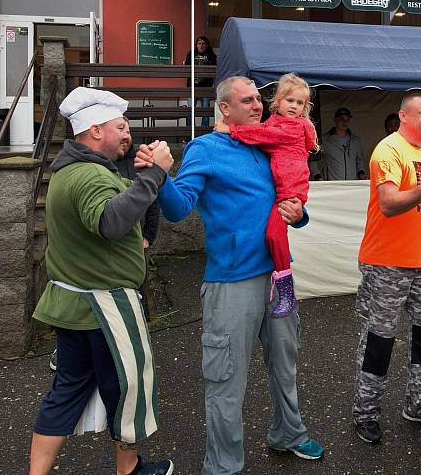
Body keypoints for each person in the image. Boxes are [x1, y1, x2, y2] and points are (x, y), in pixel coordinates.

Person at [137, 75, 323, 474]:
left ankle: (287, 433)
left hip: (278, 275)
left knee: (285, 362)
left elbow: (290, 199)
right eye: (248, 100)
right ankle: (223, 465)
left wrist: (299, 214)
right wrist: (159, 176)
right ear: (224, 107)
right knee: (225, 379)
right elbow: (177, 208)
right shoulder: (206, 149)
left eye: (259, 99)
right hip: (232, 282)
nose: (258, 105)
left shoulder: (268, 144)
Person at [30, 87, 174, 475]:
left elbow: (118, 207)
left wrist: (145, 179)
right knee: (128, 390)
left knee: (67, 389)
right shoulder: (92, 175)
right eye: (120, 126)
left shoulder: (68, 170)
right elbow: (110, 222)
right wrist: (157, 173)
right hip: (104, 308)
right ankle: (129, 470)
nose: (127, 134)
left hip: (73, 305)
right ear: (94, 130)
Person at [353, 92, 421, 445]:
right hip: (388, 263)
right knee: (380, 340)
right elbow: (391, 204)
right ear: (403, 115)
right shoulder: (389, 150)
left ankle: (420, 404)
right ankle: (366, 412)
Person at [213, 72, 318, 317]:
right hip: (283, 190)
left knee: (273, 235)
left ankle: (287, 291)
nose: (294, 107)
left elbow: (263, 136)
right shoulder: (274, 123)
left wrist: (232, 130)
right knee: (273, 235)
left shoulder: (293, 127)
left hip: (290, 189)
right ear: (278, 101)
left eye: (300, 103)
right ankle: (284, 288)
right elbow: (264, 130)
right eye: (290, 101)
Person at [115, 122, 161, 319]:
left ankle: (141, 318)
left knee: (139, 285)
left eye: (128, 130)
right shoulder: (103, 164)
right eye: (120, 130)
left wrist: (149, 236)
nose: (125, 136)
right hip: (113, 238)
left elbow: (153, 201)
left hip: (137, 239)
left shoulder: (140, 161)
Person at [313, 107, 366, 181]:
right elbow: (313, 160)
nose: (345, 122)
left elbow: (359, 160)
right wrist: (317, 176)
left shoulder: (355, 141)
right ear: (335, 120)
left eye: (347, 119)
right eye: (342, 119)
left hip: (352, 185)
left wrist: (361, 172)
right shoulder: (324, 139)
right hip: (333, 186)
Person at [183, 35, 217, 126]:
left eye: (203, 43)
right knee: (190, 111)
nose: (201, 45)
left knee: (205, 112)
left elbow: (215, 70)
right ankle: (189, 133)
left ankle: (204, 133)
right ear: (196, 45)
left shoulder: (212, 56)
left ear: (207, 45)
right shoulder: (191, 54)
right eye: (199, 43)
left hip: (205, 88)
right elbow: (186, 67)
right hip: (192, 86)